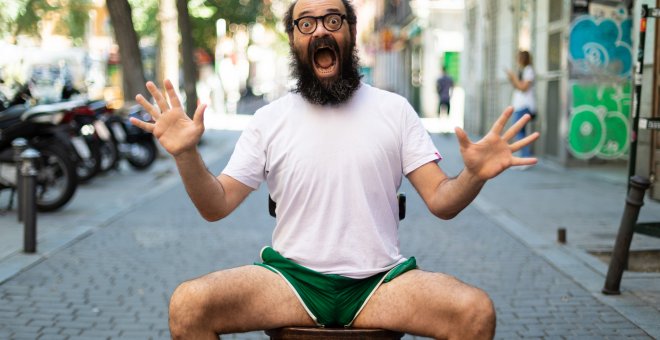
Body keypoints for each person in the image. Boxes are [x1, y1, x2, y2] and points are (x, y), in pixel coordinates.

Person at [130, 0, 539, 338]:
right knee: (189, 305)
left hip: (380, 283)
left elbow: (442, 201)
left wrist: (474, 175)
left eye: (332, 19)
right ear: (293, 39)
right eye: (306, 23)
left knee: (475, 312)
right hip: (291, 280)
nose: (320, 31)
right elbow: (215, 205)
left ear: (350, 32)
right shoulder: (269, 120)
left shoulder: (394, 110)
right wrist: (186, 154)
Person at [506, 50, 536, 159]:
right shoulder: (522, 70)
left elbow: (523, 88)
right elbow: (518, 86)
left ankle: (525, 157)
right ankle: (523, 156)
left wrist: (513, 77)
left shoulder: (528, 70)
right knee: (520, 133)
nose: (517, 60)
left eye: (519, 58)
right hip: (519, 106)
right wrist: (512, 79)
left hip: (525, 106)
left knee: (518, 132)